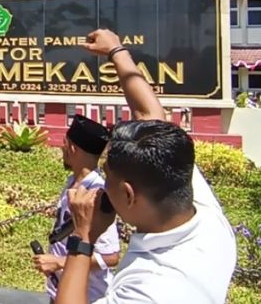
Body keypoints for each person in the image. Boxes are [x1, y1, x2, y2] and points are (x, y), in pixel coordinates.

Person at [55, 29, 237, 304]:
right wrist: (116, 51)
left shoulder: (151, 287)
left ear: (128, 194)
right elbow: (151, 118)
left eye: (108, 181)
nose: (104, 188)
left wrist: (83, 237)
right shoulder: (205, 216)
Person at [33, 114, 120, 303]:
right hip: (61, 292)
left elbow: (110, 256)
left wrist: (59, 262)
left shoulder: (96, 194)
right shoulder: (73, 182)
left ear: (72, 148)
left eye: (64, 144)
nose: (62, 148)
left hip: (89, 297)